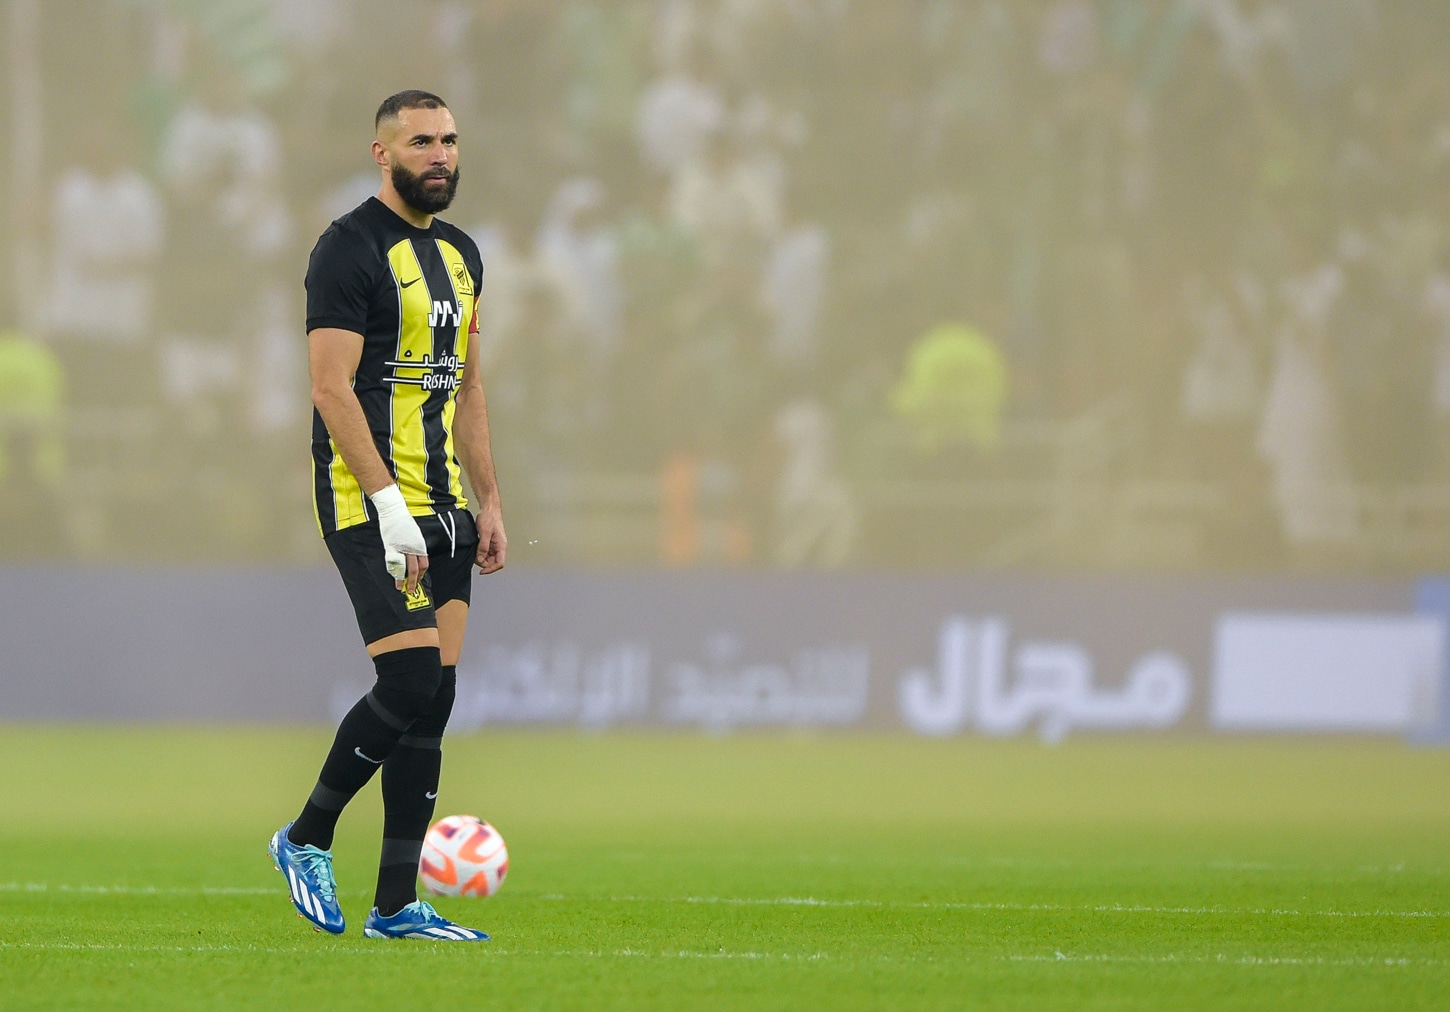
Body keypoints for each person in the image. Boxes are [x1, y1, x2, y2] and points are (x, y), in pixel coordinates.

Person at [268, 90, 506, 942]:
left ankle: (397, 903)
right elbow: (330, 387)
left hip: (445, 505)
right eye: (419, 143)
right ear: (382, 153)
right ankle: (304, 837)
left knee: (434, 698)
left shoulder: (465, 255)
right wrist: (385, 507)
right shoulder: (347, 248)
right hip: (370, 502)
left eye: (447, 141)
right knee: (406, 680)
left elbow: (468, 387)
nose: (439, 156)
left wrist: (491, 502)